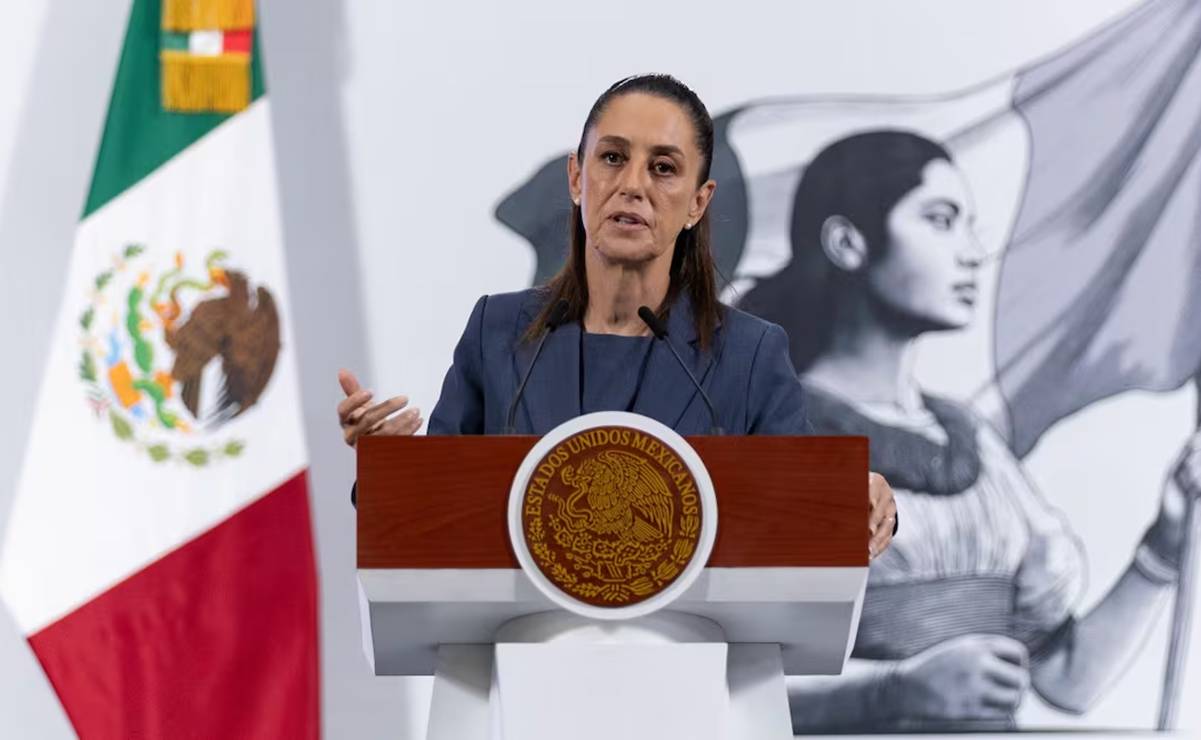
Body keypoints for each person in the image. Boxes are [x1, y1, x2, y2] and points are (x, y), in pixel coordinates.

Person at [740, 130, 1201, 732]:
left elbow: (1067, 680)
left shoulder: (975, 442)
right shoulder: (776, 434)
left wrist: (1163, 548)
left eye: (968, 225)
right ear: (848, 243)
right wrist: (890, 692)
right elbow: (732, 694)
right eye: (940, 220)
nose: (969, 252)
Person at [336, 74, 898, 557]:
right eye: (612, 158)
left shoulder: (748, 355)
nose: (632, 185)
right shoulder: (498, 334)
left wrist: (862, 502)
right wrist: (389, 465)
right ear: (578, 179)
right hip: (526, 666)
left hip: (688, 672)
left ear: (698, 204)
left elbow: (806, 510)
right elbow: (435, 516)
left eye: (663, 168)